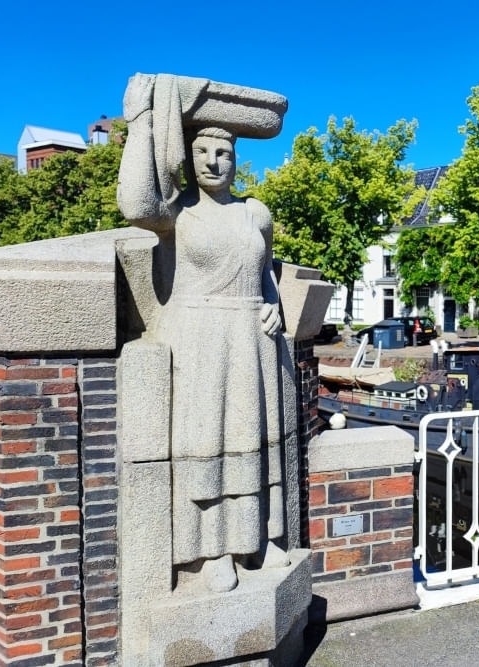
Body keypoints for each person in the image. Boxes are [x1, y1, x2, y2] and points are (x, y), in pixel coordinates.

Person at [117, 74, 288, 593]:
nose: (214, 162)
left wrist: (274, 308)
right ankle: (214, 551)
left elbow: (265, 272)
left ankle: (256, 538)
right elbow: (136, 204)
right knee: (207, 446)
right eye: (203, 153)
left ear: (237, 160)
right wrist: (141, 122)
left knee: (255, 445)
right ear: (191, 160)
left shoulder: (255, 213)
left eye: (224, 153)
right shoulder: (180, 213)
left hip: (250, 340)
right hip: (200, 339)